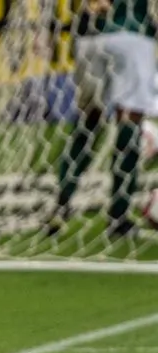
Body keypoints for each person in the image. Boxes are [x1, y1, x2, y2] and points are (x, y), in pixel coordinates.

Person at [46, 0, 158, 238]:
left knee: (89, 121)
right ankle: (118, 217)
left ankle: (62, 202)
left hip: (89, 37)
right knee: (130, 121)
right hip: (131, 33)